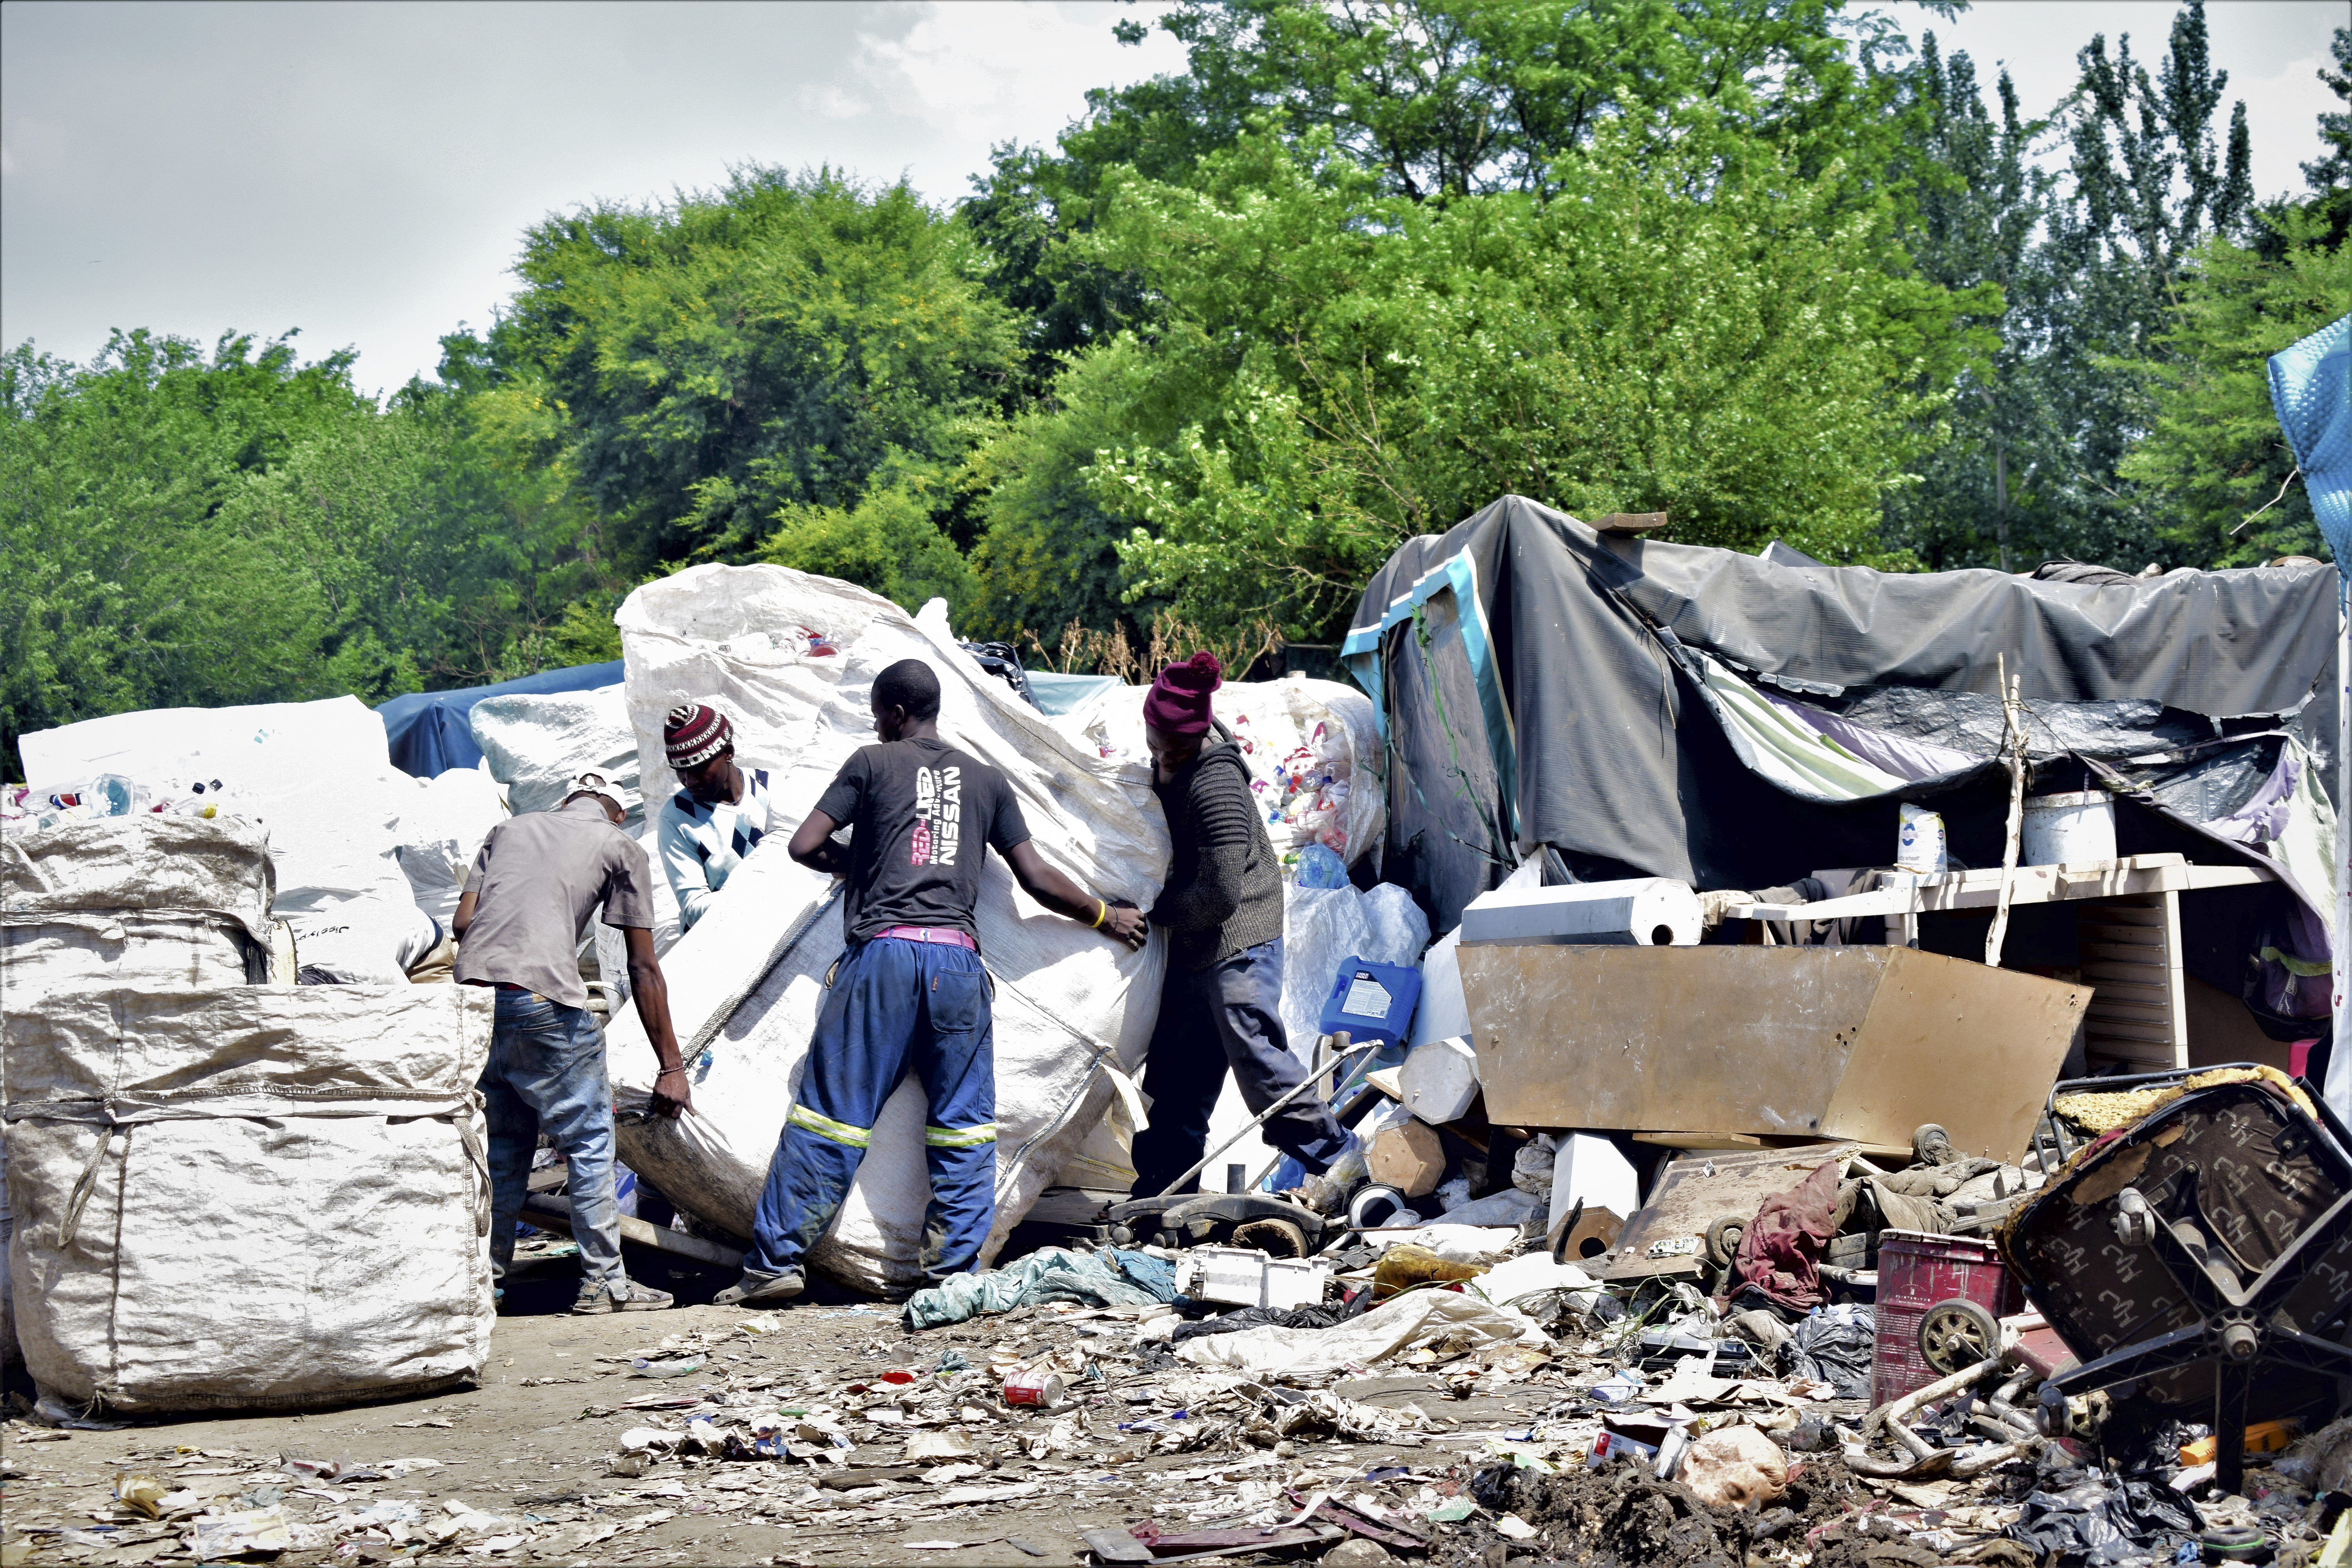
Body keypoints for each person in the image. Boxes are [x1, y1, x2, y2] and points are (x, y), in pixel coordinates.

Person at [714, 659, 1148, 1307]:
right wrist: (1106, 917)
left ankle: (776, 1265)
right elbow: (1036, 879)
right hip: (956, 966)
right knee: (963, 1126)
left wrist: (857, 866)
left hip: (882, 960)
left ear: (894, 713)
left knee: (832, 1116)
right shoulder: (986, 780)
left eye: (876, 715)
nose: (874, 726)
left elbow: (804, 846)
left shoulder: (870, 763)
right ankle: (950, 1276)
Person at [1127, 653, 1367, 1212]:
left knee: (1257, 1057)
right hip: (1195, 941)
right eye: (1158, 745)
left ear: (1194, 738)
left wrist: (1151, 910)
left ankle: (1341, 1161)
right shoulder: (1169, 757)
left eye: (1176, 749)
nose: (1165, 756)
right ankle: (1161, 1190)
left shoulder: (1216, 781)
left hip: (1238, 936)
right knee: (1175, 1073)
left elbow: (1219, 893)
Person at [454, 771, 692, 1314]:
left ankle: (484, 1284)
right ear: (618, 814)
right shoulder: (620, 845)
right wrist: (671, 1066)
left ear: (565, 802)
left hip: (474, 1005)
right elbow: (642, 966)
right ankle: (604, 1283)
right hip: (541, 1001)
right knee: (588, 1142)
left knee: (504, 1148)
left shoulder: (508, 829)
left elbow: (464, 923)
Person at [656, 702, 779, 934]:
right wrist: (759, 892)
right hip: (724, 937)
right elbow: (693, 907)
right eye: (680, 771)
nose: (689, 781)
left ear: (728, 753)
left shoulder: (770, 787)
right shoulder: (677, 817)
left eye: (698, 769)